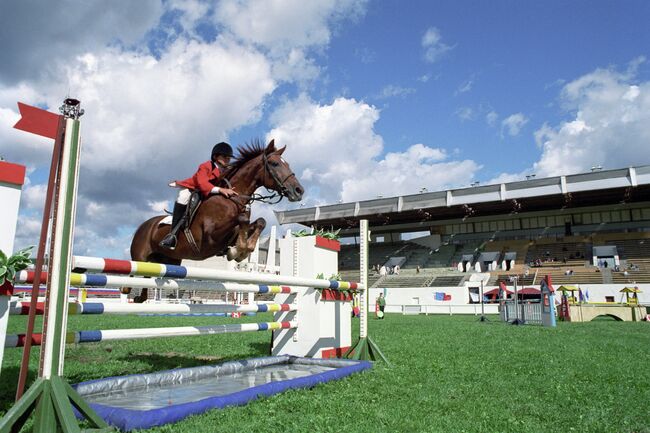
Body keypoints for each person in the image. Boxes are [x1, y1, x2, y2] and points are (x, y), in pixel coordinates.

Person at [159, 142, 239, 250]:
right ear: (215, 157)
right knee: (182, 197)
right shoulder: (206, 166)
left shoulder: (226, 171)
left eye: (229, 158)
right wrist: (220, 189)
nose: (227, 160)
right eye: (224, 157)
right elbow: (202, 184)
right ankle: (172, 235)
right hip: (192, 189)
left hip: (209, 192)